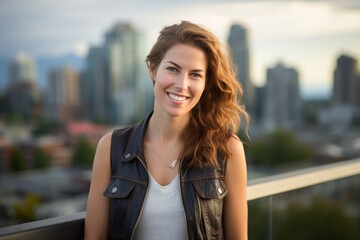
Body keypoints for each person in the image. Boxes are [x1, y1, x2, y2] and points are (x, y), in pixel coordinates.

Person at [84, 20, 249, 240]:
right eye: (173, 69)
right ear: (153, 69)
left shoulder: (227, 150)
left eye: (195, 74)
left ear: (206, 82)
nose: (182, 84)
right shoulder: (111, 147)